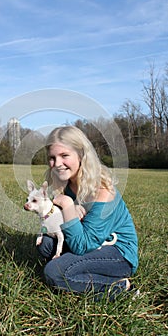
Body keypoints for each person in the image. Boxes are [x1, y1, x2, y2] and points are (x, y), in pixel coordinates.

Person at [37, 125, 138, 300]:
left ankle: (121, 287)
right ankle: (78, 273)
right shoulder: (66, 183)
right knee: (46, 243)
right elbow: (50, 216)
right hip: (88, 241)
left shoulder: (103, 191)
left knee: (54, 272)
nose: (57, 164)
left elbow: (82, 246)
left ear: (81, 155)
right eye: (52, 158)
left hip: (117, 252)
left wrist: (68, 206)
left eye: (64, 156)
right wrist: (66, 208)